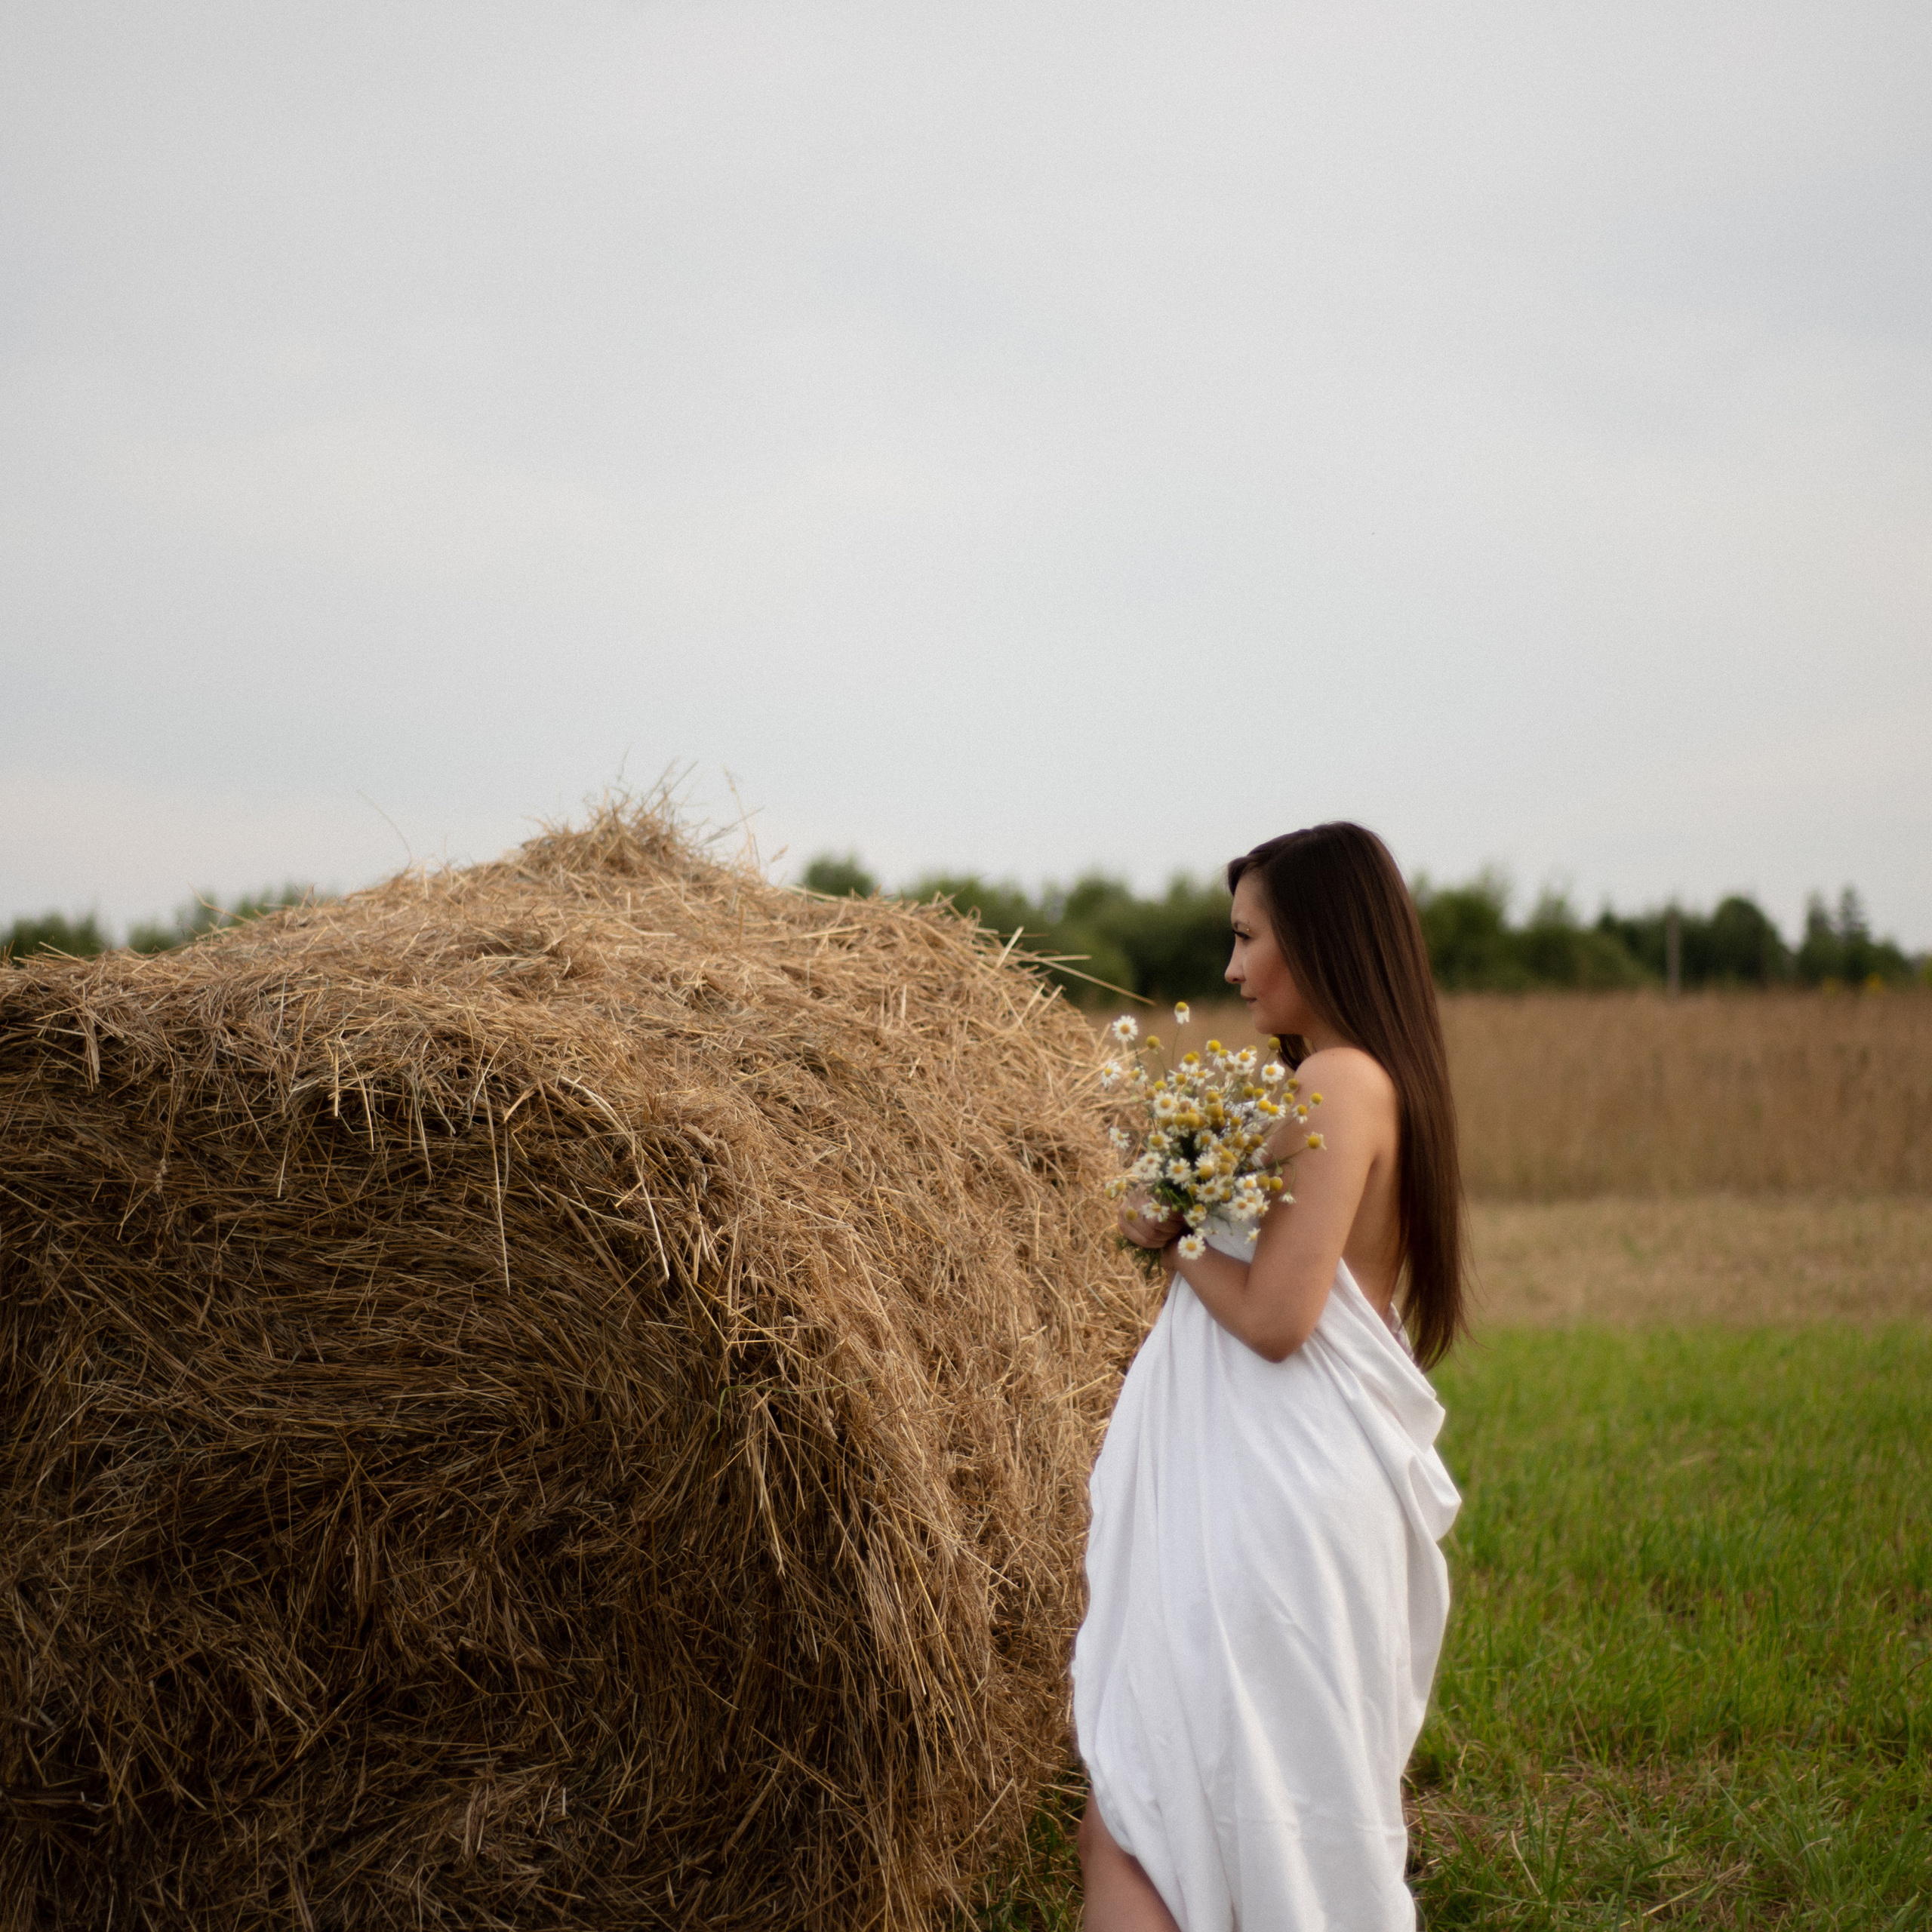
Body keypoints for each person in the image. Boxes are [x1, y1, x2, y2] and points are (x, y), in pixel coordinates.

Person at [1070, 822, 1465, 1931]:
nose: (1233, 969)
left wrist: (1173, 1232)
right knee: (1195, 1810)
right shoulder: (1354, 1081)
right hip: (1282, 1488)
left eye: (1249, 939)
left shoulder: (1340, 1082)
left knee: (1143, 1812)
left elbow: (1283, 1317)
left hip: (1273, 1499)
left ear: (1321, 939)